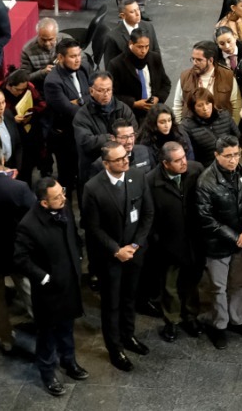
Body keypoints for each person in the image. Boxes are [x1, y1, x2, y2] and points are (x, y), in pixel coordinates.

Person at [81, 139, 154, 370]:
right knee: (111, 304)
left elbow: (147, 213)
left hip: (134, 252)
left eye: (126, 157)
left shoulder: (137, 176)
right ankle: (115, 348)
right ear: (105, 164)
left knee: (130, 298)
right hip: (110, 256)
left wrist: (136, 245)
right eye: (119, 159)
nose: (125, 161)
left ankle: (128, 336)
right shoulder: (92, 188)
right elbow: (92, 227)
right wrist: (116, 250)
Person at [14, 179, 87, 394]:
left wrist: (79, 255)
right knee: (47, 334)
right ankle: (47, 372)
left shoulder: (64, 210)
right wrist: (43, 278)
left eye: (62, 193)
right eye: (57, 197)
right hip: (48, 290)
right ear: (44, 203)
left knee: (67, 327)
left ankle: (69, 361)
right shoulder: (28, 225)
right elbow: (21, 259)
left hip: (69, 283)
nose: (64, 198)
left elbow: (73, 237)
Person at [196, 134, 242, 348]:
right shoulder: (206, 181)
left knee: (238, 284)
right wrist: (234, 236)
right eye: (227, 156)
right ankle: (220, 325)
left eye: (236, 154)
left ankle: (238, 319)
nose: (233, 160)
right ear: (216, 155)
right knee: (218, 287)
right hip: (217, 243)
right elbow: (206, 218)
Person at [145, 142, 204, 342]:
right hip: (167, 244)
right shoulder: (151, 182)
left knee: (192, 282)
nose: (183, 163)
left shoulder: (195, 170)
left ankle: (191, 317)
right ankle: (172, 321)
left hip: (193, 240)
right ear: (165, 164)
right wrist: (157, 240)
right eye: (177, 161)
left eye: (184, 157)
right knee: (169, 286)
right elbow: (149, 216)